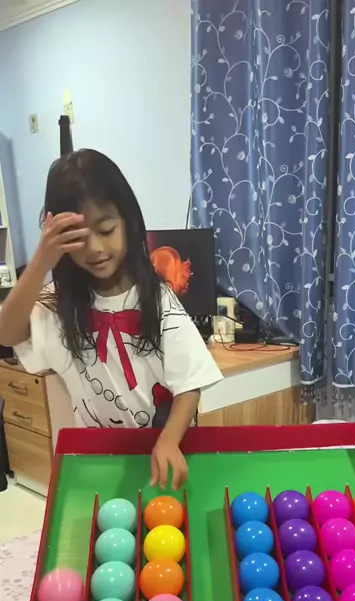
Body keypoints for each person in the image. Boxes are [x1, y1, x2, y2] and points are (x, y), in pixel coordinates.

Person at [0, 149, 222, 489]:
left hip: (162, 454)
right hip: (99, 461)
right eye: (77, 238)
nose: (95, 249)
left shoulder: (156, 298)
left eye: (106, 229)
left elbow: (189, 383)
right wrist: (41, 261)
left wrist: (168, 441)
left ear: (129, 223)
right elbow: (6, 334)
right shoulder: (59, 304)